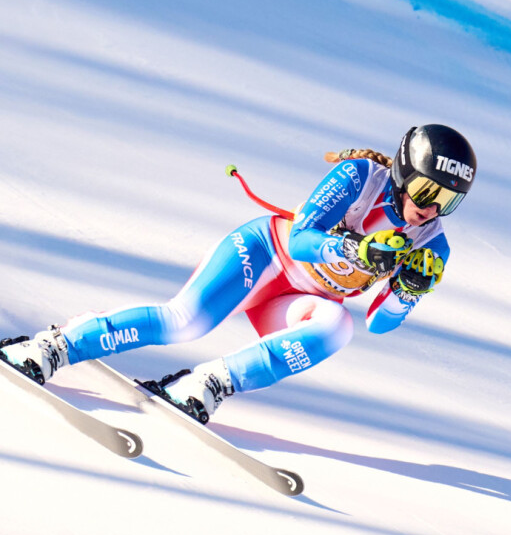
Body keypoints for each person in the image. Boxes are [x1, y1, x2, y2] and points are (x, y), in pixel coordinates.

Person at [1, 124, 477, 422]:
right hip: (265, 254)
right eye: (426, 190)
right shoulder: (360, 177)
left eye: (448, 200)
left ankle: (209, 382)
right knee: (183, 323)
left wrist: (408, 291)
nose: (431, 208)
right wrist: (353, 248)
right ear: (402, 173)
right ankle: (56, 345)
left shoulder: (433, 244)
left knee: (339, 327)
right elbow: (301, 239)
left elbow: (380, 323)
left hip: (300, 299)